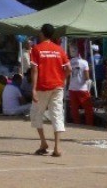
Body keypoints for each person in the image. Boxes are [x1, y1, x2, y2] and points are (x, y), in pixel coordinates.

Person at [30, 24, 70, 157]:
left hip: (43, 86)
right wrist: (62, 79)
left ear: (42, 33)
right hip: (57, 86)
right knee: (57, 114)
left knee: (36, 114)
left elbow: (35, 70)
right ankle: (57, 147)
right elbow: (68, 68)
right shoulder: (59, 49)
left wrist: (33, 89)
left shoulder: (36, 49)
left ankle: (43, 143)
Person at [68, 47, 93, 126]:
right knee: (88, 108)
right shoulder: (84, 62)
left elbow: (68, 75)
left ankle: (76, 124)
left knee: (74, 108)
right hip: (82, 88)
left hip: (72, 87)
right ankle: (89, 124)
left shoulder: (70, 62)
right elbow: (86, 77)